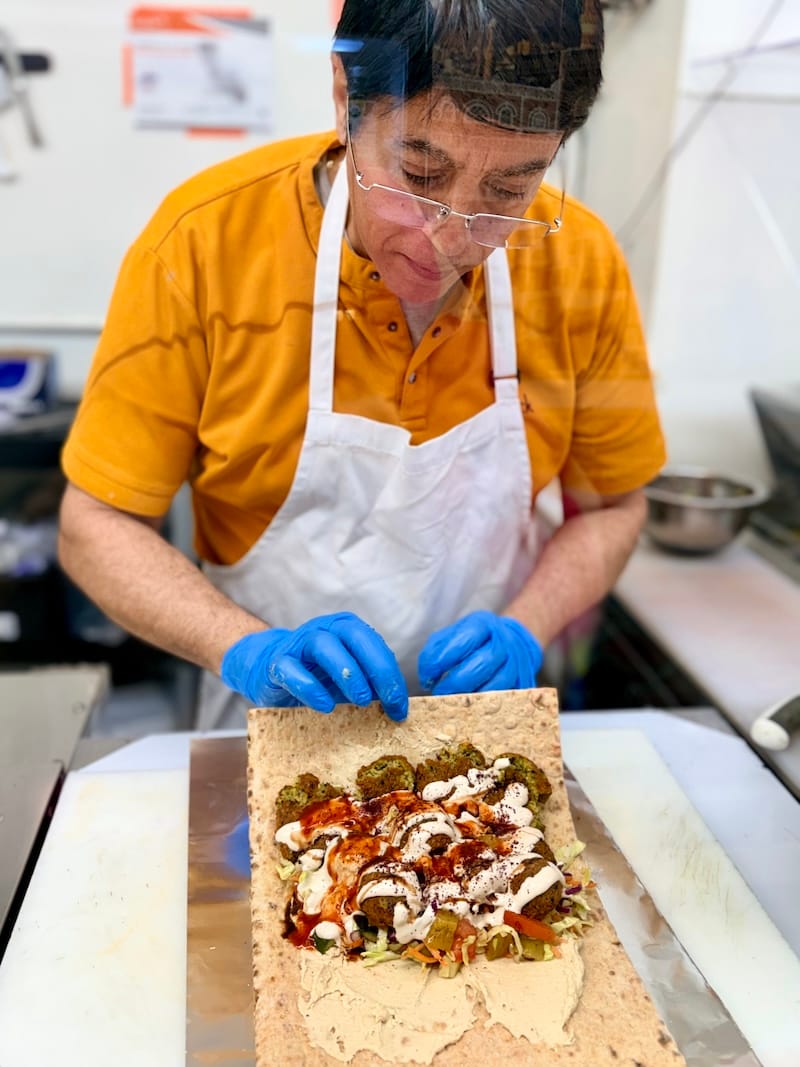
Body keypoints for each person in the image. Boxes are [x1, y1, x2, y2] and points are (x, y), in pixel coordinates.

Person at [58, 0, 665, 730]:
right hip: (272, 726)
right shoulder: (201, 248)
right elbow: (94, 523)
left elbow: (616, 508)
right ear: (347, 98)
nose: (451, 236)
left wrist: (527, 625)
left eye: (507, 191)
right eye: (420, 172)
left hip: (481, 732)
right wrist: (248, 649)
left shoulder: (582, 265)